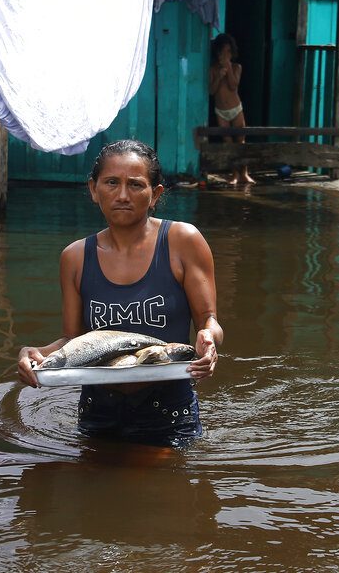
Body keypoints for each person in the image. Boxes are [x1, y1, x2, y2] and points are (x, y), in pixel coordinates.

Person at [17, 139, 222, 448]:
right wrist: (35, 355)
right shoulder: (74, 257)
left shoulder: (183, 241)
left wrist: (209, 339)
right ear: (93, 189)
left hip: (167, 407)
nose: (123, 195)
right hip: (98, 410)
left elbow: (209, 319)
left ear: (155, 195)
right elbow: (73, 340)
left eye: (136, 185)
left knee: (159, 482)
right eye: (111, 182)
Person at [209, 33, 255, 185]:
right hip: (221, 111)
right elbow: (212, 91)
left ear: (232, 53)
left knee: (240, 142)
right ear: (218, 53)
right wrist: (219, 76)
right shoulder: (213, 69)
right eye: (222, 52)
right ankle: (234, 174)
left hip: (236, 109)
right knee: (228, 143)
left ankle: (245, 173)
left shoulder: (236, 67)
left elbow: (233, 85)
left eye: (228, 52)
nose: (225, 55)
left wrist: (228, 70)